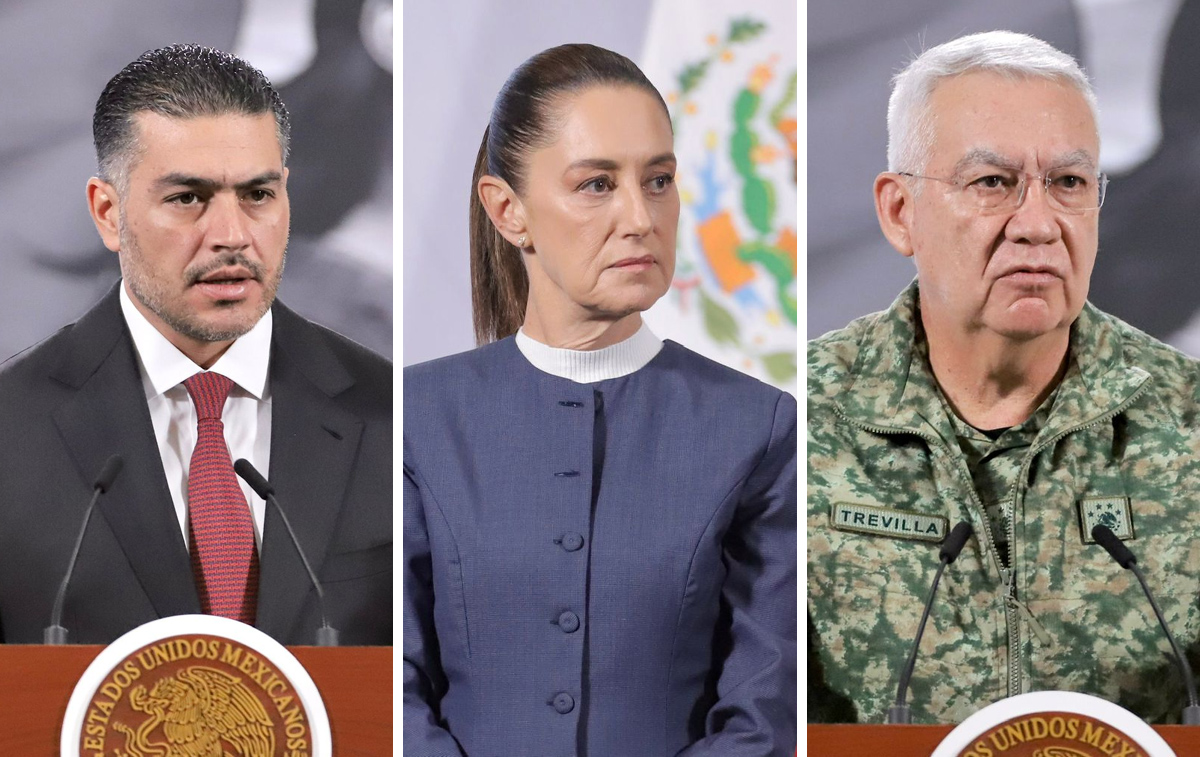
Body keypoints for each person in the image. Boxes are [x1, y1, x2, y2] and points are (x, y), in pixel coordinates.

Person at [404, 43, 796, 755]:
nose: (640, 218)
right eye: (596, 185)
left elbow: (763, 716)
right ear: (508, 210)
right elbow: (393, 690)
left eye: (658, 180)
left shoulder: (758, 428)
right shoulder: (417, 418)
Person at [808, 30, 1200, 724]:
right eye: (994, 183)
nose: (1038, 224)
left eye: (1069, 184)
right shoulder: (795, 424)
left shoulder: (1189, 422)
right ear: (902, 212)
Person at [0, 45, 391, 646]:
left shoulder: (394, 416)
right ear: (108, 213)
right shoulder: (11, 429)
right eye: (187, 198)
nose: (232, 236)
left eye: (258, 195)